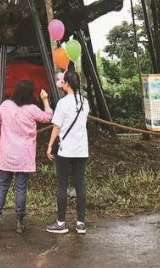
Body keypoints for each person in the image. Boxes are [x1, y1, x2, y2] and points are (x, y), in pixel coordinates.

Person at [0, 79, 53, 233]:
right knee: (21, 188)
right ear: (30, 94)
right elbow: (48, 117)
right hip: (24, 156)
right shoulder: (32, 109)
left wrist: (3, 132)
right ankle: (19, 223)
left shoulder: (5, 105)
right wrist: (45, 100)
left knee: (2, 187)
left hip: (6, 155)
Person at [45, 68, 90, 234]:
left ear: (67, 84)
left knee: (62, 185)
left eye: (63, 81)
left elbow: (57, 126)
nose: (61, 84)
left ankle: (61, 222)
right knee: (80, 185)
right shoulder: (84, 102)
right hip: (81, 149)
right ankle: (80, 223)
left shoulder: (63, 103)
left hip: (65, 150)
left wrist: (50, 145)